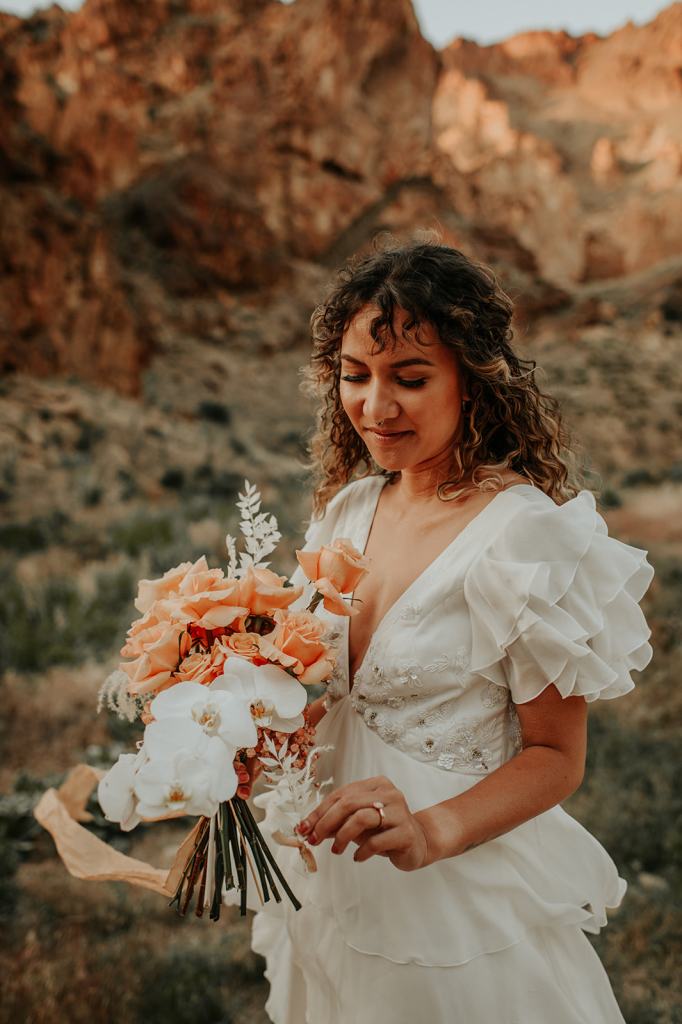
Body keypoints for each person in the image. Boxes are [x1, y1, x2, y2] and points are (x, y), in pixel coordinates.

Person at [244, 240, 654, 1023]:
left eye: (410, 378)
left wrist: (431, 831)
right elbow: (319, 692)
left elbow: (557, 758)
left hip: (453, 899)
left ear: (473, 380)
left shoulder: (522, 539)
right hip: (328, 871)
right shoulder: (346, 512)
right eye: (356, 375)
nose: (376, 406)